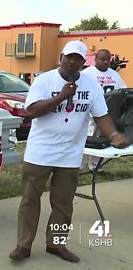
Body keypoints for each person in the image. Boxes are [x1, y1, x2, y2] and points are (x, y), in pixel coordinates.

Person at [9, 40, 129, 263]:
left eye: (78, 59)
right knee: (30, 199)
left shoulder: (91, 85)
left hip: (71, 153)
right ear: (61, 58)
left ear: (84, 63)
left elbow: (101, 116)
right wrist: (61, 97)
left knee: (63, 203)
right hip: (40, 152)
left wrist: (113, 135)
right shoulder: (44, 80)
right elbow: (32, 111)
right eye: (69, 57)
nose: (73, 62)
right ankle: (23, 245)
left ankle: (56, 244)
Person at [83, 49, 127, 172]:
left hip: (105, 114)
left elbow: (122, 90)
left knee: (100, 140)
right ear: (96, 59)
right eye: (102, 59)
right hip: (89, 114)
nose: (106, 62)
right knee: (84, 139)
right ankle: (78, 167)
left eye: (108, 60)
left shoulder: (114, 75)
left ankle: (96, 167)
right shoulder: (87, 73)